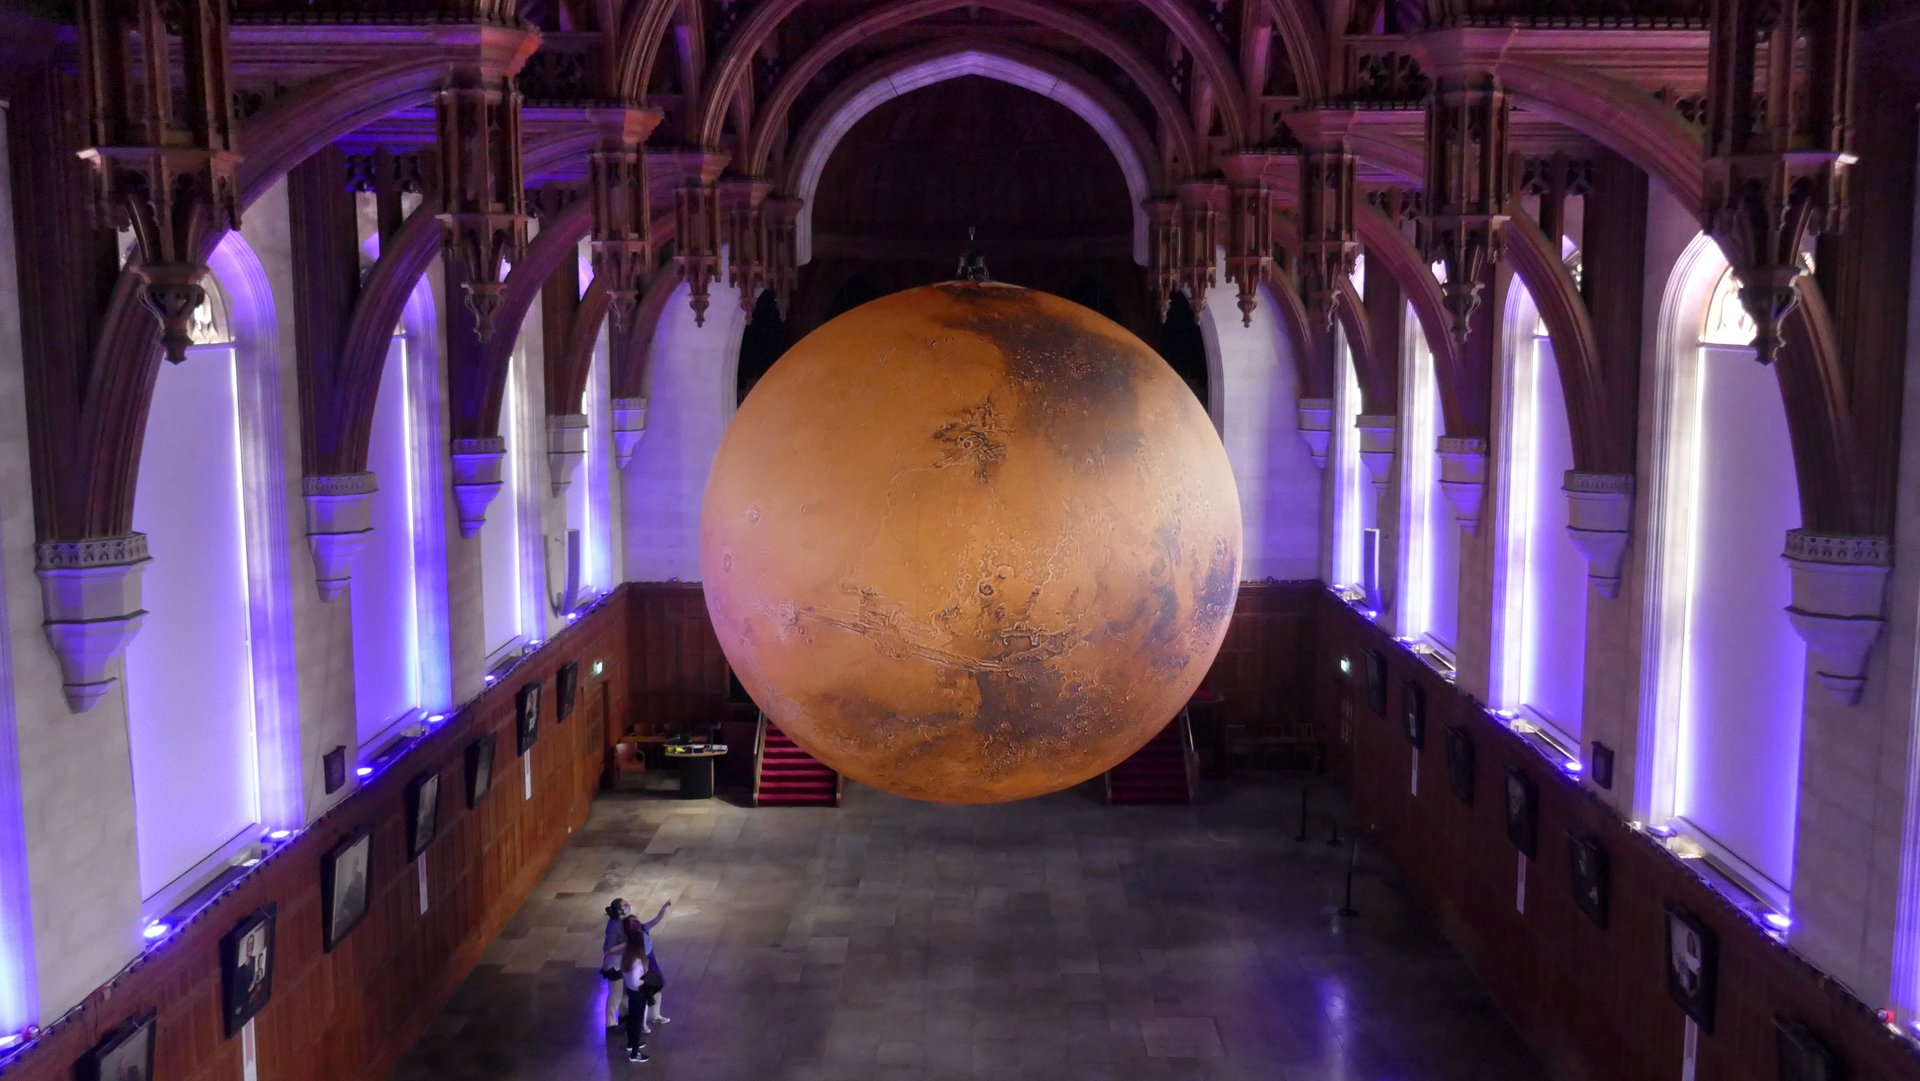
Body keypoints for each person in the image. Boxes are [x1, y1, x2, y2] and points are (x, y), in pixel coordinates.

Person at [618, 916, 654, 1063]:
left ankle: (631, 1043)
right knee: (637, 1022)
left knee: (633, 1020)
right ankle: (635, 1052)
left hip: (632, 993)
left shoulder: (626, 957)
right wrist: (646, 980)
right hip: (638, 993)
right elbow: (635, 981)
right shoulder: (637, 961)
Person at [633, 901, 671, 1031]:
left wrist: (663, 908)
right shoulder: (633, 938)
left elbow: (656, 920)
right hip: (644, 964)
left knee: (658, 987)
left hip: (651, 961)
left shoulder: (644, 928)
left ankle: (656, 1015)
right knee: (645, 993)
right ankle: (642, 1024)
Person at [599, 899, 632, 1028]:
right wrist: (626, 944)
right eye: (625, 904)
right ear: (619, 909)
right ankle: (610, 1023)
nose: (628, 905)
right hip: (614, 965)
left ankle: (624, 1014)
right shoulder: (614, 925)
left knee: (623, 992)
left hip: (621, 963)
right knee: (616, 995)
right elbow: (607, 949)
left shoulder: (621, 922)